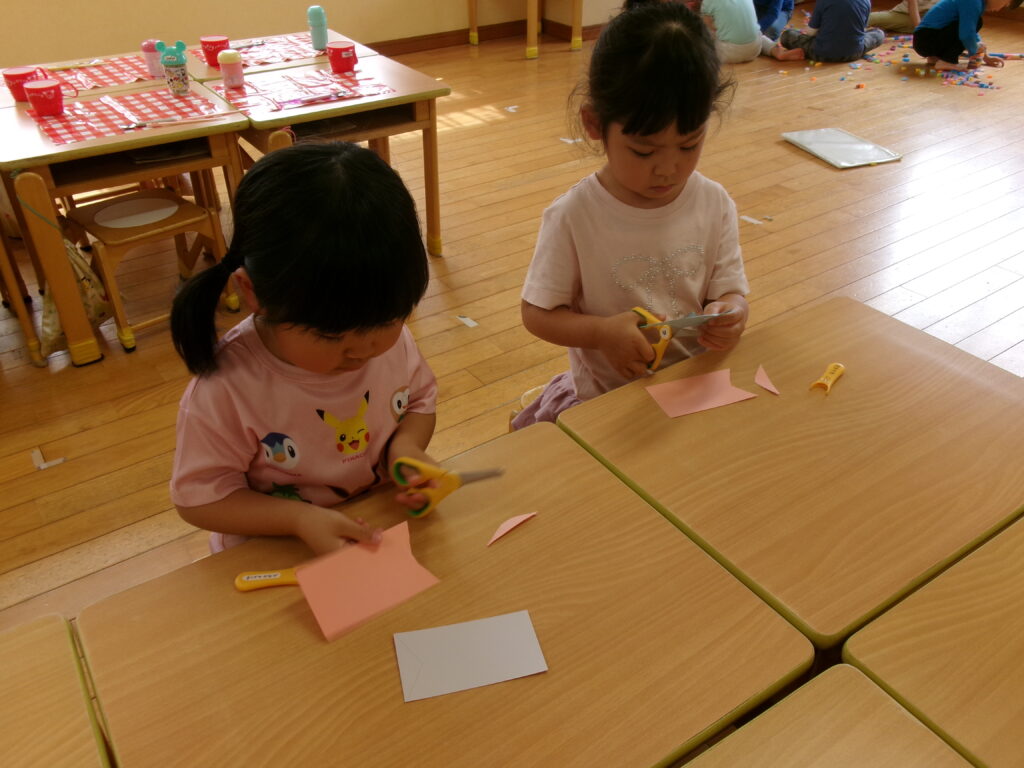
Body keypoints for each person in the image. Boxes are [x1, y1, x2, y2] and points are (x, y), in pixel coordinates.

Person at [169, 141, 439, 554]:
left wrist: (406, 448)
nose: (364, 350)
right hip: (272, 550)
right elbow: (201, 498)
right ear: (253, 293)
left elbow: (419, 403)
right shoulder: (226, 388)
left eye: (387, 321)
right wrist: (297, 519)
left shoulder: (391, 344)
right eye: (332, 336)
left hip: (376, 526)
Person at [512, 2, 750, 429]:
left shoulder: (714, 203)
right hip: (606, 401)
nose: (668, 169)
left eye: (689, 145)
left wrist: (731, 313)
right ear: (594, 123)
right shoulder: (574, 216)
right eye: (643, 151)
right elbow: (538, 314)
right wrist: (601, 334)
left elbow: (729, 292)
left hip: (692, 392)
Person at [913, 0, 1018, 70]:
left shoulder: (978, 3)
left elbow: (970, 29)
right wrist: (975, 51)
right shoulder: (973, 1)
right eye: (1005, 3)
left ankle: (935, 57)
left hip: (924, 40)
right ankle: (947, 61)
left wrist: (985, 57)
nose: (1000, 9)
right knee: (976, 24)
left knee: (973, 25)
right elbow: (967, 34)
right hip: (926, 40)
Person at [775, 0, 886, 62]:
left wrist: (811, 27)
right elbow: (862, 29)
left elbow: (811, 33)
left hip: (822, 53)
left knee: (787, 35)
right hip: (855, 52)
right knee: (879, 34)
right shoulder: (866, 1)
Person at [868, 0, 936, 34]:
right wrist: (919, 30)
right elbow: (912, 5)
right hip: (904, 14)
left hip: (929, 17)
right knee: (871, 18)